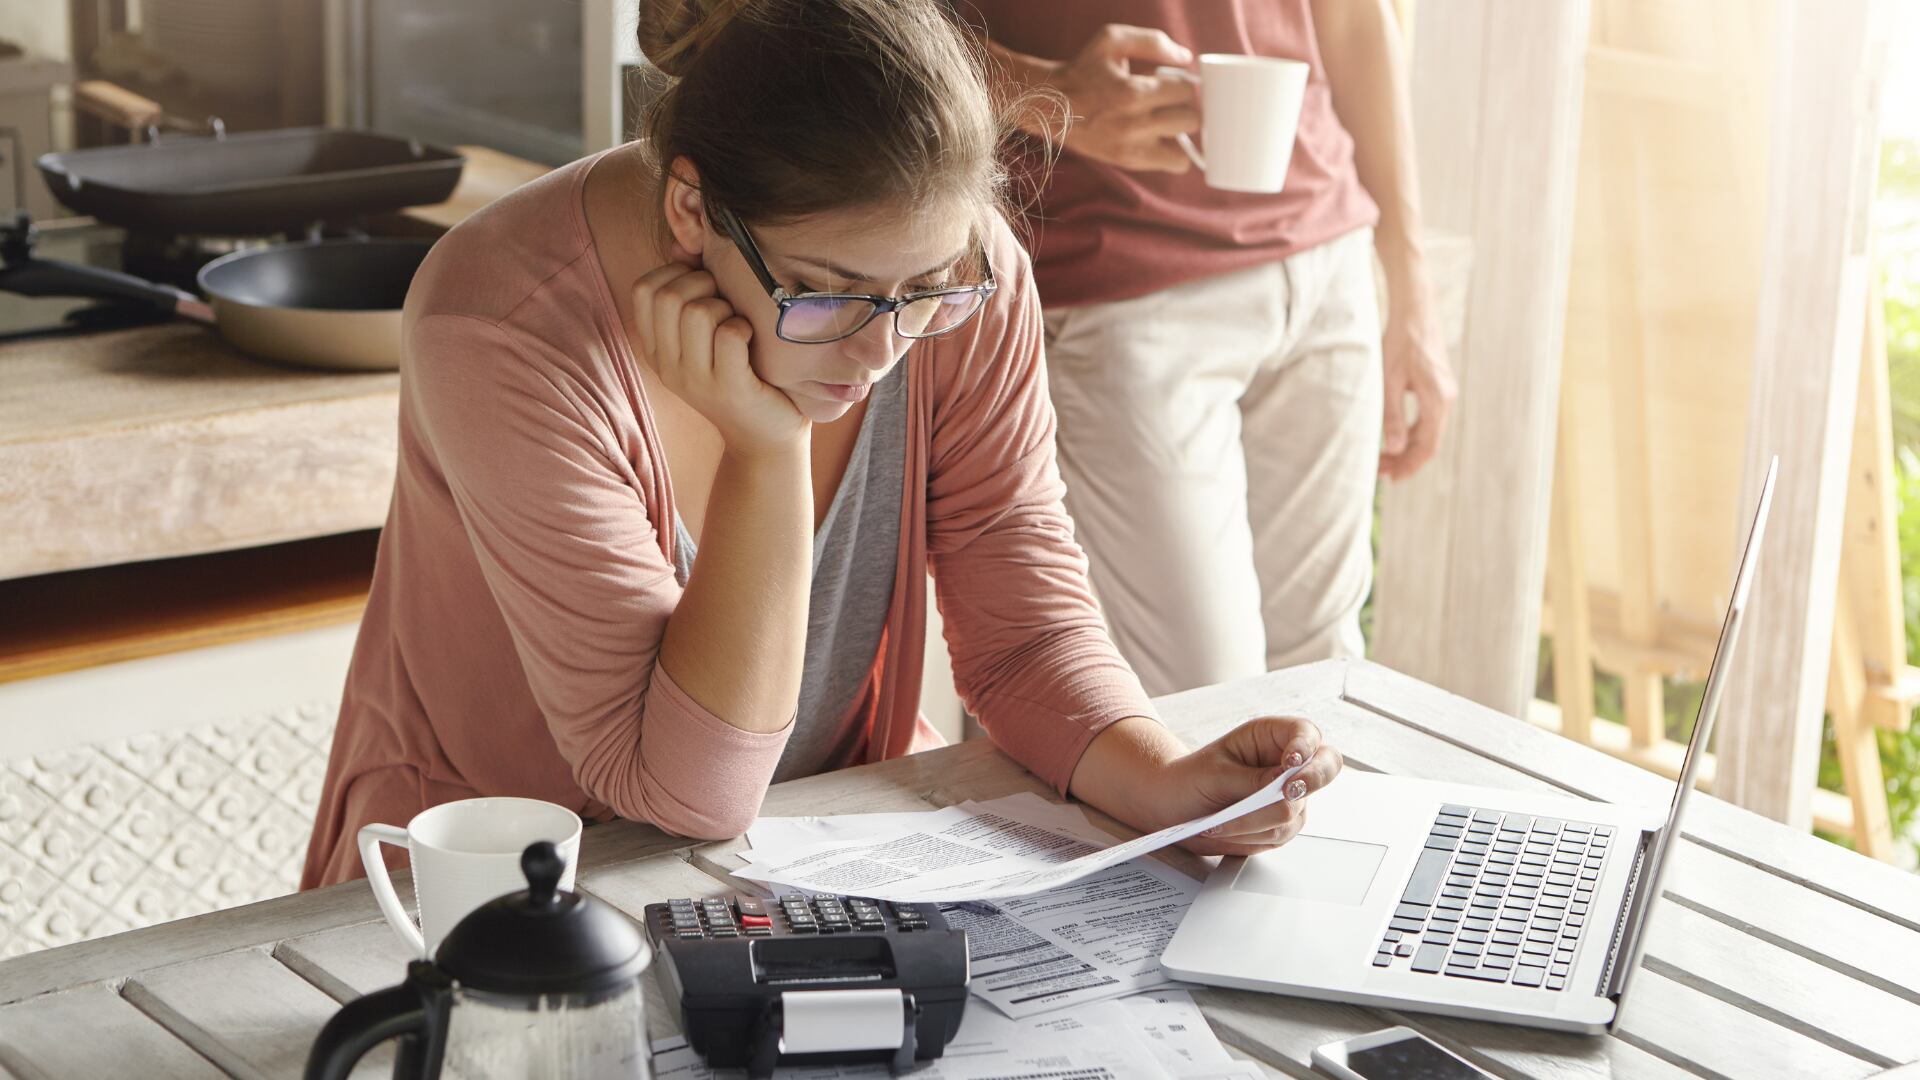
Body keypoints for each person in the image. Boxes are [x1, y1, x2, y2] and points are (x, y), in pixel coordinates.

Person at [300, 0, 1341, 889]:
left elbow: (1021, 632)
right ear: (691, 212)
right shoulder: (503, 325)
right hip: (486, 903)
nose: (885, 349)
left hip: (803, 866)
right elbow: (683, 793)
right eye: (829, 294)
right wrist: (767, 447)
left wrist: (1164, 780)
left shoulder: (966, 281)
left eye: (926, 290)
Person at [962, 2, 1455, 696]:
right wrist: (1049, 94)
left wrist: (1410, 281)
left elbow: (1351, 17)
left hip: (1325, 261)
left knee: (1328, 674)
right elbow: (860, 20)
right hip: (1125, 284)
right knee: (1208, 699)